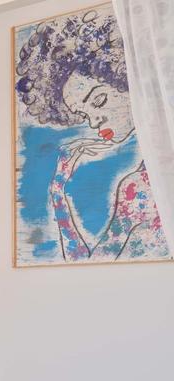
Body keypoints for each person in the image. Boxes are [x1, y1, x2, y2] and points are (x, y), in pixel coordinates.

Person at [16, 8, 169, 262]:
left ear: (125, 79)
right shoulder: (136, 188)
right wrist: (57, 191)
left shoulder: (139, 187)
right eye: (84, 115)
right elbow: (90, 262)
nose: (95, 121)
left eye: (98, 100)